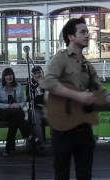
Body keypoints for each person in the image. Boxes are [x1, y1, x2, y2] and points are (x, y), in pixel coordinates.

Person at [42, 17, 110, 180]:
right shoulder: (61, 57)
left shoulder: (87, 65)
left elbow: (101, 91)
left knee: (85, 174)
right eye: (83, 32)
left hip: (83, 127)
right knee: (61, 174)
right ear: (70, 37)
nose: (88, 35)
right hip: (62, 129)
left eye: (87, 32)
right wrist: (78, 95)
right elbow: (49, 82)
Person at [0, 67, 29, 156]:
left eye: (11, 75)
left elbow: (24, 101)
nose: (9, 77)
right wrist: (9, 106)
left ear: (13, 76)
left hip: (15, 113)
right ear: (4, 77)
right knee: (18, 113)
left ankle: (8, 148)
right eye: (7, 75)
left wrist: (18, 105)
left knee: (14, 120)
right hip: (0, 112)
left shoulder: (19, 86)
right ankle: (28, 134)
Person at [25, 66, 46, 154]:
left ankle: (57, 144)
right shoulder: (30, 85)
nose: (38, 75)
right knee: (36, 121)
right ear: (32, 75)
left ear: (42, 73)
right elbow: (31, 99)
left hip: (48, 109)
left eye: (39, 73)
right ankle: (40, 146)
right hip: (35, 109)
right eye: (35, 73)